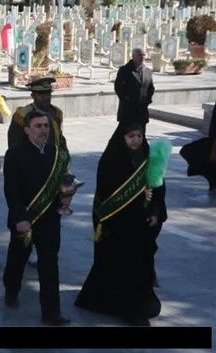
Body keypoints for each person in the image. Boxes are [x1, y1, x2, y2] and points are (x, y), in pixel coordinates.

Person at [75, 122, 166, 326]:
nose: (135, 140)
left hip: (140, 226)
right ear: (122, 138)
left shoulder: (147, 156)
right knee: (121, 265)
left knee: (140, 265)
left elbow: (159, 188)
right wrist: (138, 197)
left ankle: (136, 303)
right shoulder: (111, 159)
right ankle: (128, 309)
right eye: (130, 136)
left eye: (139, 136)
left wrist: (154, 211)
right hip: (118, 226)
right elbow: (107, 193)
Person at [2, 110, 71, 326]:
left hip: (50, 218)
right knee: (17, 258)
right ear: (27, 130)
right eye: (38, 126)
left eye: (46, 126)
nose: (43, 130)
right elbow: (10, 190)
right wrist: (20, 217)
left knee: (50, 264)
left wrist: (67, 193)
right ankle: (11, 290)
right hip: (24, 219)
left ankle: (51, 312)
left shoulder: (57, 153)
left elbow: (64, 179)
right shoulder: (14, 154)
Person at [8, 77, 68, 151]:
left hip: (52, 157)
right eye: (41, 94)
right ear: (32, 96)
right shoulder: (23, 114)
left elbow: (59, 137)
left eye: (48, 93)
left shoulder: (56, 112)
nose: (45, 97)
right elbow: (14, 141)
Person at [114, 48, 155, 129]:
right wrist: (126, 99)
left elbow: (151, 88)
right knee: (126, 136)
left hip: (142, 111)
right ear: (133, 56)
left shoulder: (148, 71)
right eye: (140, 55)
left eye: (143, 55)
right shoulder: (124, 70)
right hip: (128, 111)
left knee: (140, 137)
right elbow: (118, 87)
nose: (142, 57)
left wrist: (147, 100)